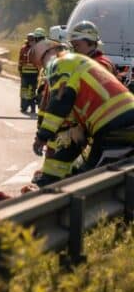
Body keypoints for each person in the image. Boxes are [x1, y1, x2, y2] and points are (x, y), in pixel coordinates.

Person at [30, 38, 134, 187]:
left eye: (41, 65)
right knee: (104, 174)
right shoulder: (78, 62)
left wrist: (42, 136)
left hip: (112, 123)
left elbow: (60, 100)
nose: (45, 70)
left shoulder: (59, 63)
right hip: (122, 120)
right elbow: (75, 120)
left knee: (90, 180)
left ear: (46, 56)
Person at [18, 32, 39, 113]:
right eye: (30, 40)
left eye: (32, 40)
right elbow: (20, 61)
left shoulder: (36, 49)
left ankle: (30, 107)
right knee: (26, 91)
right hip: (27, 74)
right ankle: (25, 107)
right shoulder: (25, 49)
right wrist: (20, 70)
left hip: (32, 74)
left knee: (31, 91)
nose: (30, 41)